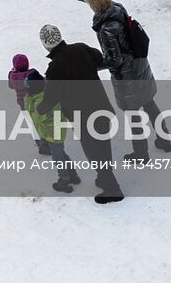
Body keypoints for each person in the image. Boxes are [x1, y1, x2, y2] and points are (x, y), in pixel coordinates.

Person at [64, 0, 170, 160]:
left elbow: (114, 60)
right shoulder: (117, 8)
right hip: (140, 66)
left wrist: (91, 66)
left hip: (127, 78)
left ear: (95, 7)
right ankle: (165, 140)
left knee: (134, 115)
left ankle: (141, 154)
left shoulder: (107, 30)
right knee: (150, 103)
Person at [40, 24, 124, 203]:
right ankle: (104, 179)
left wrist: (39, 109)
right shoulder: (81, 48)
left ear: (45, 45)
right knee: (103, 145)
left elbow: (50, 99)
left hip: (83, 117)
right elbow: (100, 60)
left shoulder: (55, 69)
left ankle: (112, 189)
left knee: (94, 152)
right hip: (101, 106)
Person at [23, 69, 79, 193]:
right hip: (53, 131)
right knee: (61, 154)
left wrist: (28, 101)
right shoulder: (44, 95)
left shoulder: (42, 101)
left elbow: (37, 118)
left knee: (58, 157)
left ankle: (64, 180)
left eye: (28, 89)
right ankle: (73, 176)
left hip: (53, 133)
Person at [7, 53, 51, 156]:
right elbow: (42, 82)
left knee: (32, 125)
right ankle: (49, 141)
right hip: (35, 102)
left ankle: (41, 146)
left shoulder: (12, 76)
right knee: (41, 121)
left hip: (23, 105)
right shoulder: (32, 73)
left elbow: (11, 86)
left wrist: (12, 72)